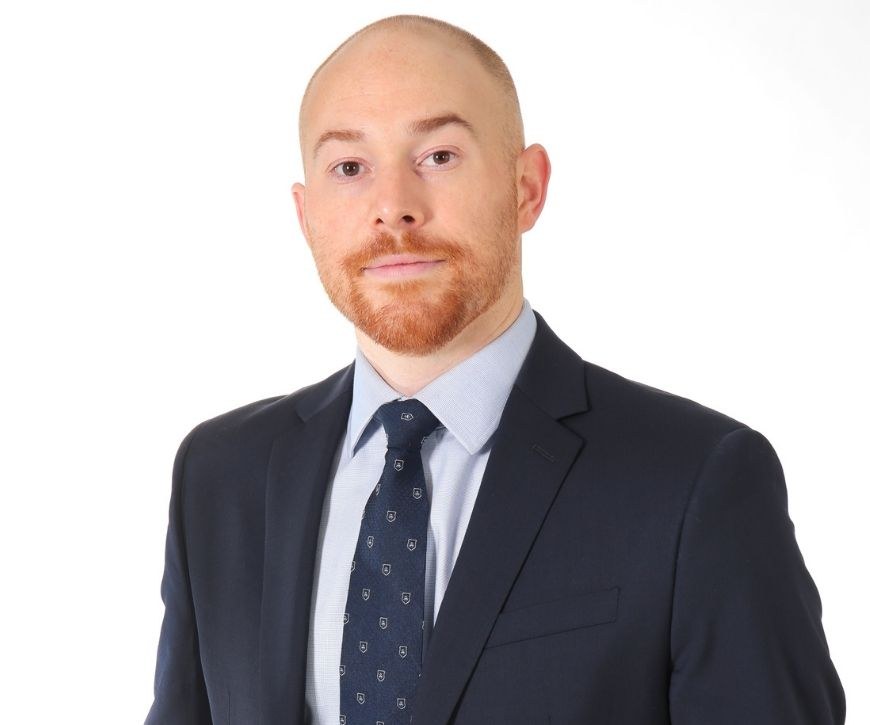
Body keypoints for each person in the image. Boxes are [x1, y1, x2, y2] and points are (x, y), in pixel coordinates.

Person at [144, 13, 846, 725]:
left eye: (438, 156)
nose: (394, 208)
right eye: (349, 168)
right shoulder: (219, 475)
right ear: (306, 215)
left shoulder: (696, 481)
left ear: (526, 188)